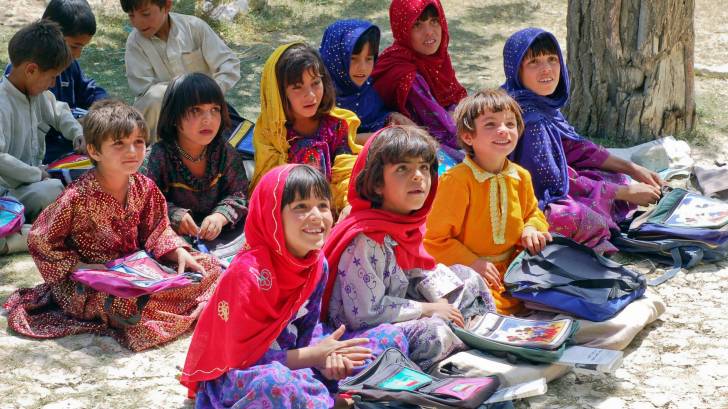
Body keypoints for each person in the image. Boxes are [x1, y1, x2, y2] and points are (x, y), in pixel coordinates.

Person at [181, 164, 407, 408]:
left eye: (322, 205)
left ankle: (324, 395)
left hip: (299, 355)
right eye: (300, 207)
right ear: (272, 217)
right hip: (247, 370)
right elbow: (242, 358)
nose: (317, 216)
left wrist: (327, 360)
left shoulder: (316, 263)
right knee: (274, 385)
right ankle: (335, 399)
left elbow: (307, 331)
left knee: (388, 337)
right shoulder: (247, 274)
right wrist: (317, 356)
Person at [3, 100, 222, 351]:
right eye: (119, 144)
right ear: (95, 151)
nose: (132, 151)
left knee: (210, 267)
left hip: (137, 272)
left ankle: (151, 305)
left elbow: (158, 229)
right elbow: (40, 240)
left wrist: (179, 251)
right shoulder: (76, 197)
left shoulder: (145, 187)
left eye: (138, 142)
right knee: (122, 301)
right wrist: (81, 266)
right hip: (91, 283)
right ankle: (147, 310)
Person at [322, 126, 495, 371]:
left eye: (424, 167)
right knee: (433, 332)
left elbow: (417, 272)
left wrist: (442, 300)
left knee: (468, 278)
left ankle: (477, 336)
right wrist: (429, 309)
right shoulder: (367, 238)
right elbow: (364, 314)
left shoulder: (406, 223)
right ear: (377, 183)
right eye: (403, 168)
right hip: (363, 330)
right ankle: (451, 352)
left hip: (399, 302)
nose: (418, 176)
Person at [502, 28, 663, 254]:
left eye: (552, 59)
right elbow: (549, 185)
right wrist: (622, 193)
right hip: (523, 202)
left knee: (614, 175)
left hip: (546, 183)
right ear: (516, 70)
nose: (547, 69)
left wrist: (631, 167)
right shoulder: (532, 122)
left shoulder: (536, 102)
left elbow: (577, 149)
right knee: (578, 215)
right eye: (534, 62)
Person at [425, 89, 551, 315]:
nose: (503, 131)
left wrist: (532, 229)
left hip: (514, 268)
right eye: (490, 125)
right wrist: (473, 263)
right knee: (479, 309)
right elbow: (435, 238)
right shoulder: (458, 180)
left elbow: (533, 213)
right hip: (471, 271)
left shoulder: (521, 176)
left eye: (510, 124)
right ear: (468, 136)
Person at [0, 20, 84, 255]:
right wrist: (36, 173)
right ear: (31, 70)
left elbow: (59, 111)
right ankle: (26, 235)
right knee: (53, 189)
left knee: (57, 188)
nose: (53, 83)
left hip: (26, 189)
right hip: (6, 193)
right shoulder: (3, 102)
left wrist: (77, 133)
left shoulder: (38, 95)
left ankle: (26, 230)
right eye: (52, 76)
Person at [251, 43, 361, 212]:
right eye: (297, 87)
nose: (310, 95)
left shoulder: (336, 124)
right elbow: (269, 185)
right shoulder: (271, 132)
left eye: (316, 83)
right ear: (279, 93)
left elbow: (345, 171)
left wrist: (348, 205)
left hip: (331, 209)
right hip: (286, 213)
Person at [141, 73, 248, 245]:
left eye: (215, 109)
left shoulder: (225, 152)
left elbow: (238, 194)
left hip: (221, 237)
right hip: (171, 240)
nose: (208, 119)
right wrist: (174, 215)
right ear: (174, 117)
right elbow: (142, 200)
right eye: (195, 110)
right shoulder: (156, 157)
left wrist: (220, 217)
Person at [4, 0, 108, 163]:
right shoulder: (19, 86)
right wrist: (37, 175)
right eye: (74, 46)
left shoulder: (65, 67)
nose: (78, 54)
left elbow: (61, 109)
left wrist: (82, 127)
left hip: (63, 144)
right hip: (47, 153)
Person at [121, 0, 241, 140]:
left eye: (145, 14)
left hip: (204, 105)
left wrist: (212, 92)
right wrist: (186, 96)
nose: (138, 22)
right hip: (164, 114)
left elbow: (229, 63)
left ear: (167, 6)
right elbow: (144, 89)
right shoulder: (135, 43)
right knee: (155, 96)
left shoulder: (194, 27)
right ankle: (156, 153)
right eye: (131, 16)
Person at [371, 0, 467, 162]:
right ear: (402, 30)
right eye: (417, 25)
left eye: (434, 22)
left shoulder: (436, 59)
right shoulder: (407, 74)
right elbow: (444, 130)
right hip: (414, 147)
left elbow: (455, 100)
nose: (429, 32)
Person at [319, 19, 414, 145]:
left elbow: (376, 116)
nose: (362, 68)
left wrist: (391, 117)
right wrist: (379, 138)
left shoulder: (366, 90)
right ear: (337, 59)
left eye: (368, 59)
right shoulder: (321, 95)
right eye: (353, 59)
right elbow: (329, 140)